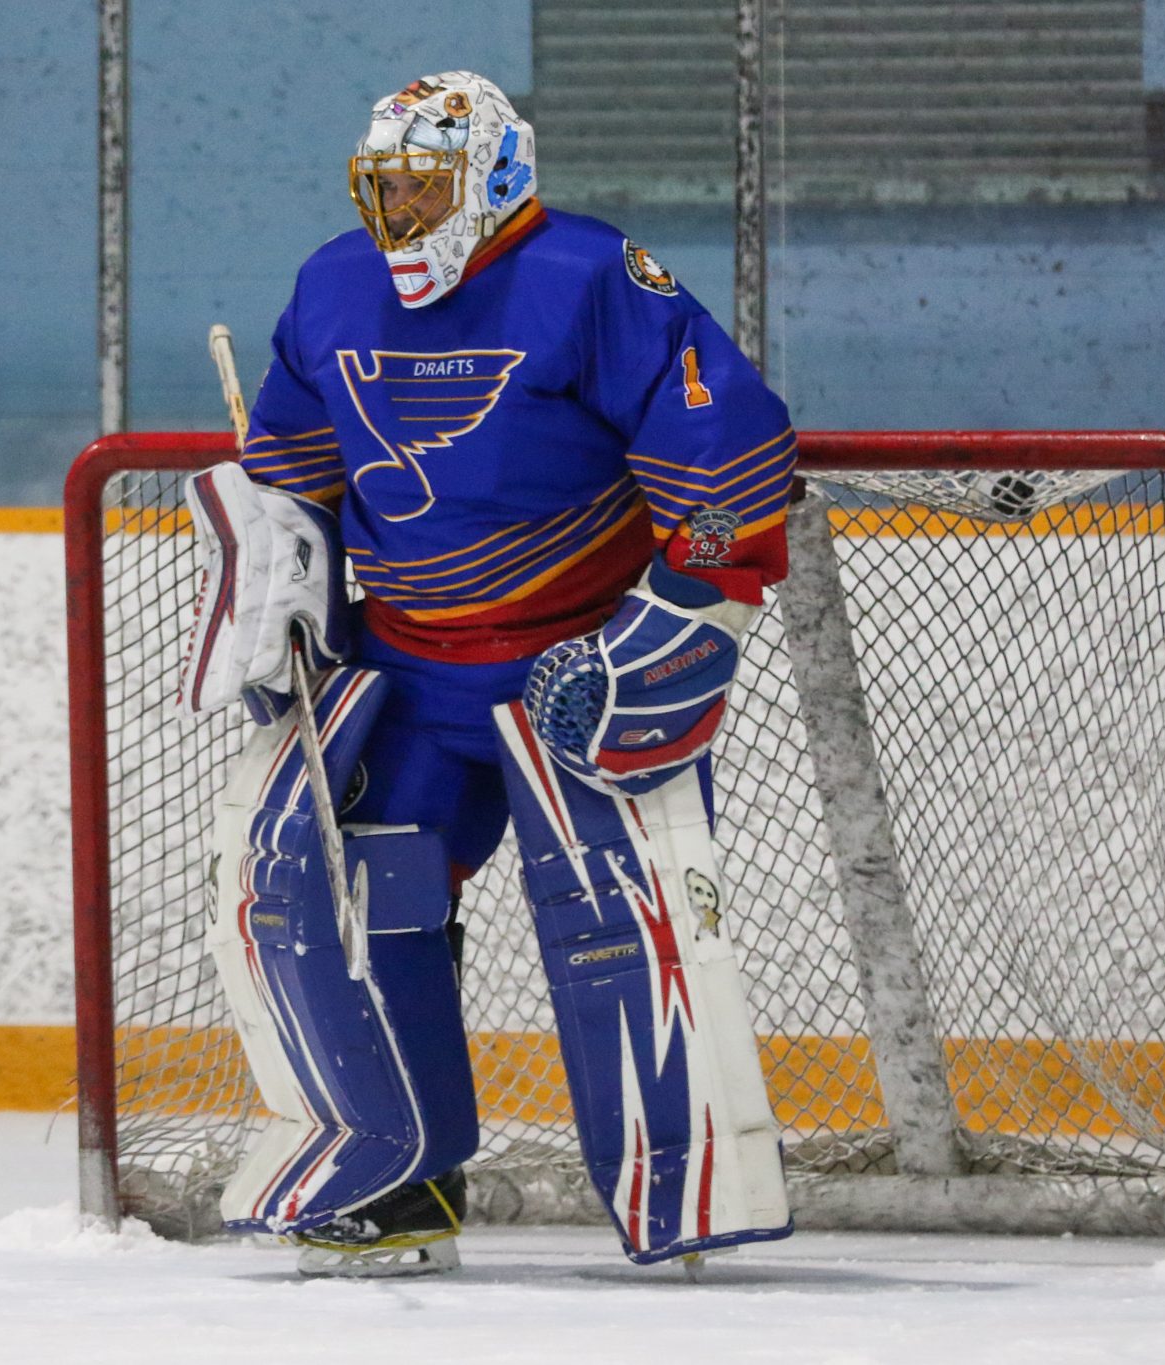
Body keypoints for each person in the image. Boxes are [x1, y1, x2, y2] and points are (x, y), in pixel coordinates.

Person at [178, 71, 796, 1278]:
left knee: (621, 924)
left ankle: (677, 1190)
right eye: (384, 185)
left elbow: (721, 443)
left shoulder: (590, 276)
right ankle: (397, 1182)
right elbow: (293, 467)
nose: (400, 210)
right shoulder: (331, 283)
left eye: (426, 185)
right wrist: (279, 583)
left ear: (498, 175)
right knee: (359, 905)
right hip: (406, 674)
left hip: (575, 670)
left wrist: (688, 606)